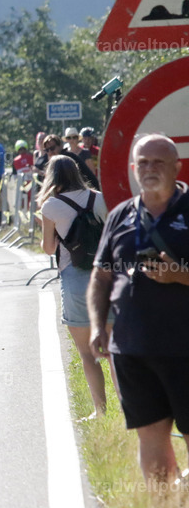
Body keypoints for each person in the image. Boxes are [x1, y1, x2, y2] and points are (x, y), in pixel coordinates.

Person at [89, 134, 189, 488]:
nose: (149, 169)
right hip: (133, 348)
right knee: (150, 438)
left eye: (158, 162)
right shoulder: (120, 215)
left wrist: (180, 276)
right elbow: (101, 277)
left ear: (177, 167)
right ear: (133, 168)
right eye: (143, 162)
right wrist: (98, 326)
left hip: (184, 348)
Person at [39, 155, 111, 419]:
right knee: (115, 351)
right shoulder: (100, 198)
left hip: (76, 280)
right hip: (108, 278)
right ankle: (130, 412)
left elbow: (49, 248)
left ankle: (100, 411)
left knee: (88, 353)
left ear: (51, 177)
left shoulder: (51, 206)